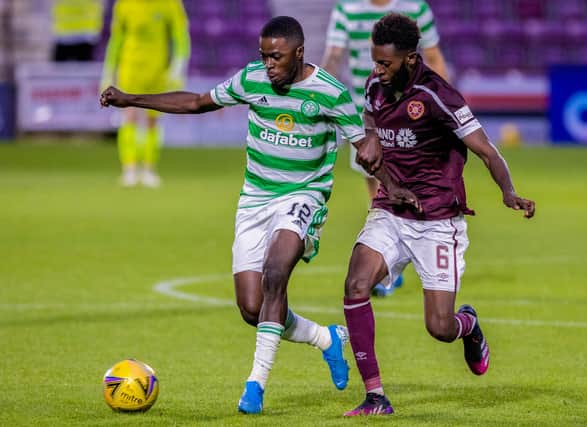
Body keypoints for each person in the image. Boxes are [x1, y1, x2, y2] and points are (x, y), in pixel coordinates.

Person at [101, 15, 416, 415]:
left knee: (275, 271)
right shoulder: (252, 80)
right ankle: (326, 339)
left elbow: (365, 149)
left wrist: (395, 186)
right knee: (252, 308)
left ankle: (255, 386)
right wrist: (131, 98)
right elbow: (198, 102)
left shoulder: (329, 93)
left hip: (303, 196)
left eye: (277, 57)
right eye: (264, 56)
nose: (269, 64)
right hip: (255, 198)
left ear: (299, 54)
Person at [341, 13, 536, 416]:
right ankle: (376, 396)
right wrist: (373, 139)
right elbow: (370, 120)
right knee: (356, 284)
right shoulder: (374, 87)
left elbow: (485, 149)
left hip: (437, 221)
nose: (377, 70)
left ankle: (469, 324)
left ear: (411, 58)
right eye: (375, 61)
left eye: (385, 63)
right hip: (391, 208)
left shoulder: (437, 94)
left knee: (439, 328)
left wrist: (509, 192)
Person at [322, 0, 449, 297]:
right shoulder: (347, 8)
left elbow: (434, 57)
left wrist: (444, 107)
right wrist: (318, 89)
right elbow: (333, 56)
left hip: (411, 114)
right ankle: (391, 263)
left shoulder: (415, 8)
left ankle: (403, 260)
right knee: (379, 190)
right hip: (364, 116)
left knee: (408, 186)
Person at [101, 0, 190, 187]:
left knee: (152, 119)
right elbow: (116, 39)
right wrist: (108, 70)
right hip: (130, 69)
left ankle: (149, 169)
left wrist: (178, 66)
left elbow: (180, 36)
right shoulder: (124, 4)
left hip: (157, 71)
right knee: (129, 117)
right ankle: (129, 169)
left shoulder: (170, 4)